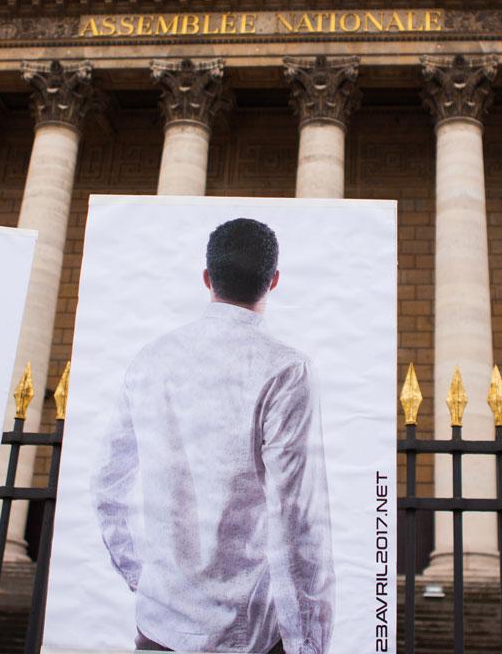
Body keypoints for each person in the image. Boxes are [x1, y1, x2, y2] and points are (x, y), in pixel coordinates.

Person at [92, 218, 334, 654]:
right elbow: (296, 520)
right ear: (273, 281)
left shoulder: (150, 359)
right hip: (247, 636)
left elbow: (108, 487)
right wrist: (308, 644)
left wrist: (142, 578)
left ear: (207, 278)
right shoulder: (285, 369)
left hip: (158, 629)